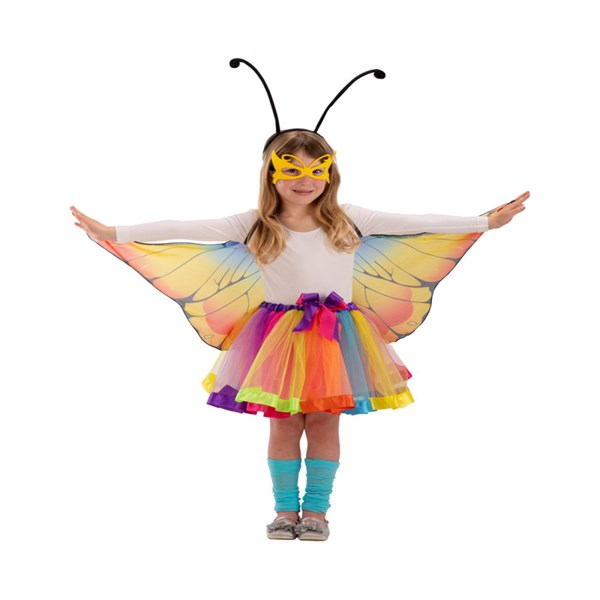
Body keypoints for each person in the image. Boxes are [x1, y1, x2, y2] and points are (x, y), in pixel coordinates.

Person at [71, 129, 527, 541]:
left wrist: (485, 222)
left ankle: (317, 513)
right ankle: (284, 511)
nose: (305, 180)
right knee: (284, 422)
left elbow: (416, 222)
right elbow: (182, 229)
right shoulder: (254, 223)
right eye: (292, 170)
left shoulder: (349, 218)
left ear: (330, 174)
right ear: (271, 175)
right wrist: (113, 232)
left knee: (325, 421)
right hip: (279, 337)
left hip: (335, 334)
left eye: (315, 169)